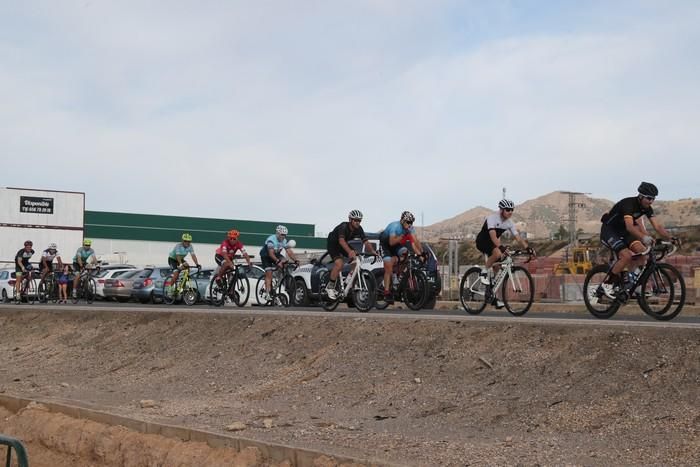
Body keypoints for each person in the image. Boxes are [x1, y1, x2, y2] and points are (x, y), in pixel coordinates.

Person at [598, 182, 676, 299]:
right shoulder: (628, 204)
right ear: (640, 196)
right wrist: (644, 237)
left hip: (624, 232)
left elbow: (657, 227)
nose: (651, 201)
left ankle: (634, 286)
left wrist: (670, 238)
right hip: (610, 230)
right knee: (626, 256)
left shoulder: (647, 208)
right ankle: (606, 285)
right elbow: (630, 226)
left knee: (643, 253)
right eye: (649, 198)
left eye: (653, 199)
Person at [475, 199, 532, 308]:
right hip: (482, 241)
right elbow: (492, 236)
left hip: (494, 243)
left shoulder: (509, 223)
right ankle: (484, 272)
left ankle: (492, 295)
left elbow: (518, 237)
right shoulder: (492, 218)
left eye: (512, 210)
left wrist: (528, 248)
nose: (510, 212)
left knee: (498, 267)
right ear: (501, 210)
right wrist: (500, 247)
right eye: (507, 210)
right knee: (497, 253)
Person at [325, 210, 379, 300]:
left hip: (343, 243)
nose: (358, 222)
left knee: (357, 258)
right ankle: (330, 287)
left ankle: (349, 279)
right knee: (339, 264)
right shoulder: (343, 226)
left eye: (359, 221)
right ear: (350, 220)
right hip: (333, 243)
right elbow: (341, 241)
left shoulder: (359, 228)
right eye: (356, 220)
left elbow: (365, 241)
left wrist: (373, 251)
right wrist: (350, 251)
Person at [379, 211, 424, 304]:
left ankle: (397, 274)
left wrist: (421, 254)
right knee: (388, 266)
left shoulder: (410, 228)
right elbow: (391, 242)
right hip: (386, 245)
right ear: (402, 221)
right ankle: (386, 292)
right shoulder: (395, 226)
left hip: (396, 245)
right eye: (408, 222)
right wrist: (402, 236)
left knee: (406, 253)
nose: (410, 224)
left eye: (411, 222)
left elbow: (415, 242)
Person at [259, 225, 299, 302]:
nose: (283, 236)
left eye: (284, 235)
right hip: (266, 255)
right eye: (282, 235)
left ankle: (278, 278)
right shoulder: (271, 240)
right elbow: (271, 254)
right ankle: (267, 293)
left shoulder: (284, 241)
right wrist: (278, 261)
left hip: (275, 254)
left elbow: (289, 252)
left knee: (285, 262)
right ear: (277, 233)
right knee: (269, 273)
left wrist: (295, 260)